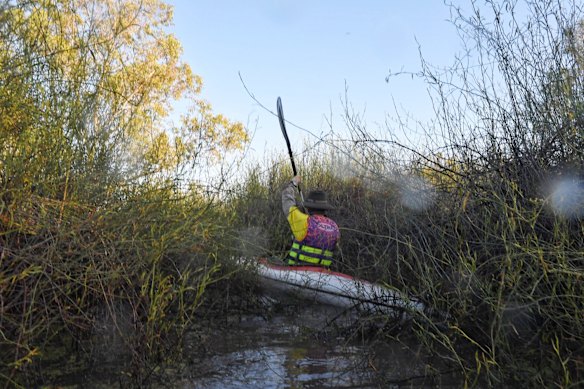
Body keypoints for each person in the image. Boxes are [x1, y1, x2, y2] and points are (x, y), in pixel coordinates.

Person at [281, 175, 340, 267]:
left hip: (297, 270)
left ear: (308, 207)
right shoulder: (334, 227)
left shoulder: (304, 221)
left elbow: (287, 201)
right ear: (325, 208)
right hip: (323, 274)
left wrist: (293, 184)